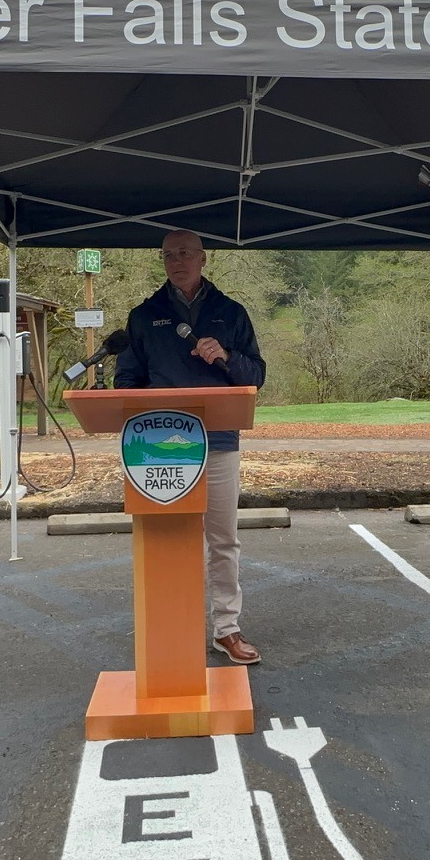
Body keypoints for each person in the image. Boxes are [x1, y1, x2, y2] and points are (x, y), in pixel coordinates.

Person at [113, 229, 267, 664]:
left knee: (223, 540)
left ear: (203, 259)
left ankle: (227, 629)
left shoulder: (230, 313)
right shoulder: (144, 315)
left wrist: (227, 356)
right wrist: (127, 401)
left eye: (184, 253)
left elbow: (255, 375)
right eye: (167, 256)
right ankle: (169, 628)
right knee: (168, 540)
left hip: (217, 441)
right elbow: (128, 379)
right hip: (159, 446)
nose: (176, 261)